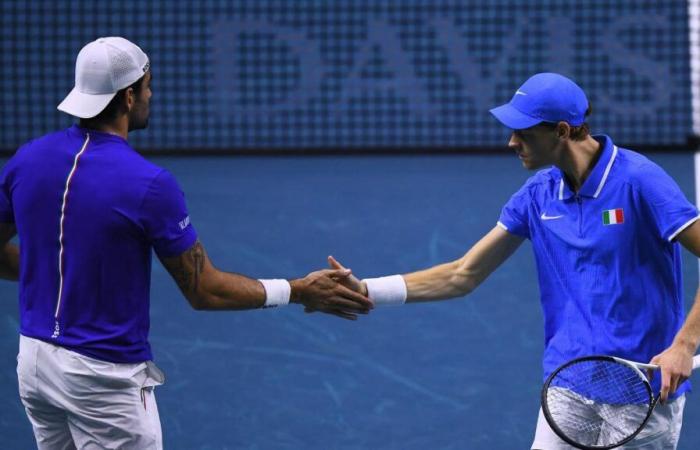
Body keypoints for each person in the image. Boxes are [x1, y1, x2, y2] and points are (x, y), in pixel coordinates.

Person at [0, 37, 372, 449]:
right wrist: (299, 290)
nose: (151, 95)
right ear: (127, 97)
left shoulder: (26, 159)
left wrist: (58, 271)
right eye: (147, 86)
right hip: (102, 382)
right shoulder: (149, 185)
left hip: (34, 364)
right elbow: (204, 290)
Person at [324, 73, 700, 449]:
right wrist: (366, 289)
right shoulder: (538, 195)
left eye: (523, 132)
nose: (512, 142)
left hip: (641, 389)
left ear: (562, 131)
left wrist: (684, 345)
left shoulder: (640, 182)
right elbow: (462, 274)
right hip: (567, 380)